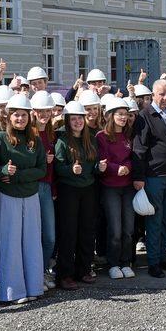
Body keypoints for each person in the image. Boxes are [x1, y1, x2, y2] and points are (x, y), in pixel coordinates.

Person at [0, 94, 47, 303]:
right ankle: (13, 292)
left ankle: (34, 287)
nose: (19, 119)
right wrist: (4, 169)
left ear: (29, 117)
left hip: (30, 196)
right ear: (8, 117)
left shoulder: (35, 140)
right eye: (16, 115)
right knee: (9, 242)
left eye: (23, 115)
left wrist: (17, 175)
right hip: (7, 196)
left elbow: (41, 169)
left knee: (31, 242)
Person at [132, 80, 166, 279]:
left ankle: (163, 257)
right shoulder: (145, 117)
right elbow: (139, 148)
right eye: (161, 94)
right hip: (154, 177)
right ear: (153, 94)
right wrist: (139, 177)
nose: (165, 98)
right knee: (154, 221)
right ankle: (153, 261)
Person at [54, 101, 104, 290]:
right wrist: (70, 169)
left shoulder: (91, 139)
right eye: (73, 118)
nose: (77, 122)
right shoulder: (62, 141)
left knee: (86, 230)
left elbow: (94, 164)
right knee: (68, 232)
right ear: (67, 121)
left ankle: (83, 270)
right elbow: (58, 168)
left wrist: (99, 168)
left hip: (88, 189)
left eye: (79, 118)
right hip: (69, 190)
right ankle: (64, 274)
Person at [97, 98, 137, 279]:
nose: (123, 117)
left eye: (125, 114)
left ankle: (125, 262)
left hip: (128, 186)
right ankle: (113, 264)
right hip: (110, 187)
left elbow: (133, 155)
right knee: (115, 229)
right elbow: (103, 159)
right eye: (119, 114)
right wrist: (116, 169)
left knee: (128, 228)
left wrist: (127, 166)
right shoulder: (101, 137)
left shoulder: (130, 135)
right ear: (110, 116)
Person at [30, 91, 58, 290]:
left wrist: (53, 187)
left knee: (49, 236)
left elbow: (54, 166)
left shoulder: (51, 133)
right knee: (32, 235)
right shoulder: (27, 134)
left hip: (47, 187)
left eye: (47, 110)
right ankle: (34, 273)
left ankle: (42, 271)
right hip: (29, 188)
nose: (44, 114)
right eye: (40, 110)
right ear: (33, 111)